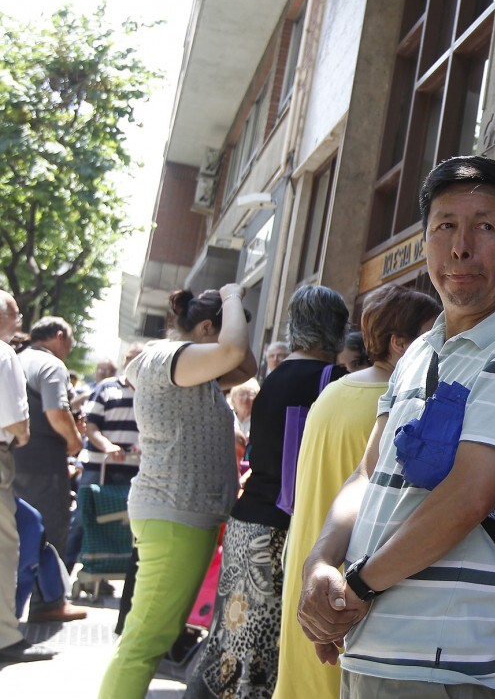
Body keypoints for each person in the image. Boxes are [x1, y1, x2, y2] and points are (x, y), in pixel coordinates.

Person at [297, 155, 495, 698]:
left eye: (485, 227)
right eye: (445, 226)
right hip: (371, 645)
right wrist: (320, 562)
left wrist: (354, 586)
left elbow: (468, 499)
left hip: (447, 666)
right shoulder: (418, 352)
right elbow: (368, 472)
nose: (460, 247)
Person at [275, 283, 440, 698]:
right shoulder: (391, 406)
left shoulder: (333, 392)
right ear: (399, 344)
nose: (445, 342)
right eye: (433, 332)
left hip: (309, 575)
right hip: (341, 600)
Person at [184, 285, 349, 698]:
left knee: (231, 644)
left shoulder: (272, 379)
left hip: (247, 527)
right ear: (336, 329)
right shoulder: (332, 382)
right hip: (281, 534)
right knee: (262, 657)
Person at [99, 284, 257, 698]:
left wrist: (233, 312)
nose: (227, 340)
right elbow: (234, 354)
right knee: (145, 640)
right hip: (175, 515)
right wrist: (232, 296)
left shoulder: (187, 367)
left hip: (180, 515)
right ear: (206, 328)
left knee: (149, 635)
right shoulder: (170, 358)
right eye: (219, 332)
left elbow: (244, 365)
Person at [13, 316, 86, 623]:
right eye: (70, 342)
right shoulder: (51, 365)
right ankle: (50, 601)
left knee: (14, 534)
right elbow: (56, 412)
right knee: (52, 530)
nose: (69, 349)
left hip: (12, 460)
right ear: (59, 336)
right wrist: (74, 441)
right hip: (44, 465)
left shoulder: (14, 359)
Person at [0, 291, 55, 662]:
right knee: (4, 547)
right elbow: (15, 421)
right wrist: (21, 437)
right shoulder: (4, 354)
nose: (20, 321)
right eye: (16, 313)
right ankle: (4, 637)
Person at [63, 344, 145, 579]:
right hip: (99, 466)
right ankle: (60, 581)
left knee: (121, 526)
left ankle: (105, 574)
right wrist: (108, 447)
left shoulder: (150, 392)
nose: (132, 362)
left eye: (138, 359)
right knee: (82, 521)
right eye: (129, 357)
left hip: (133, 469)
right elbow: (89, 425)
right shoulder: (106, 388)